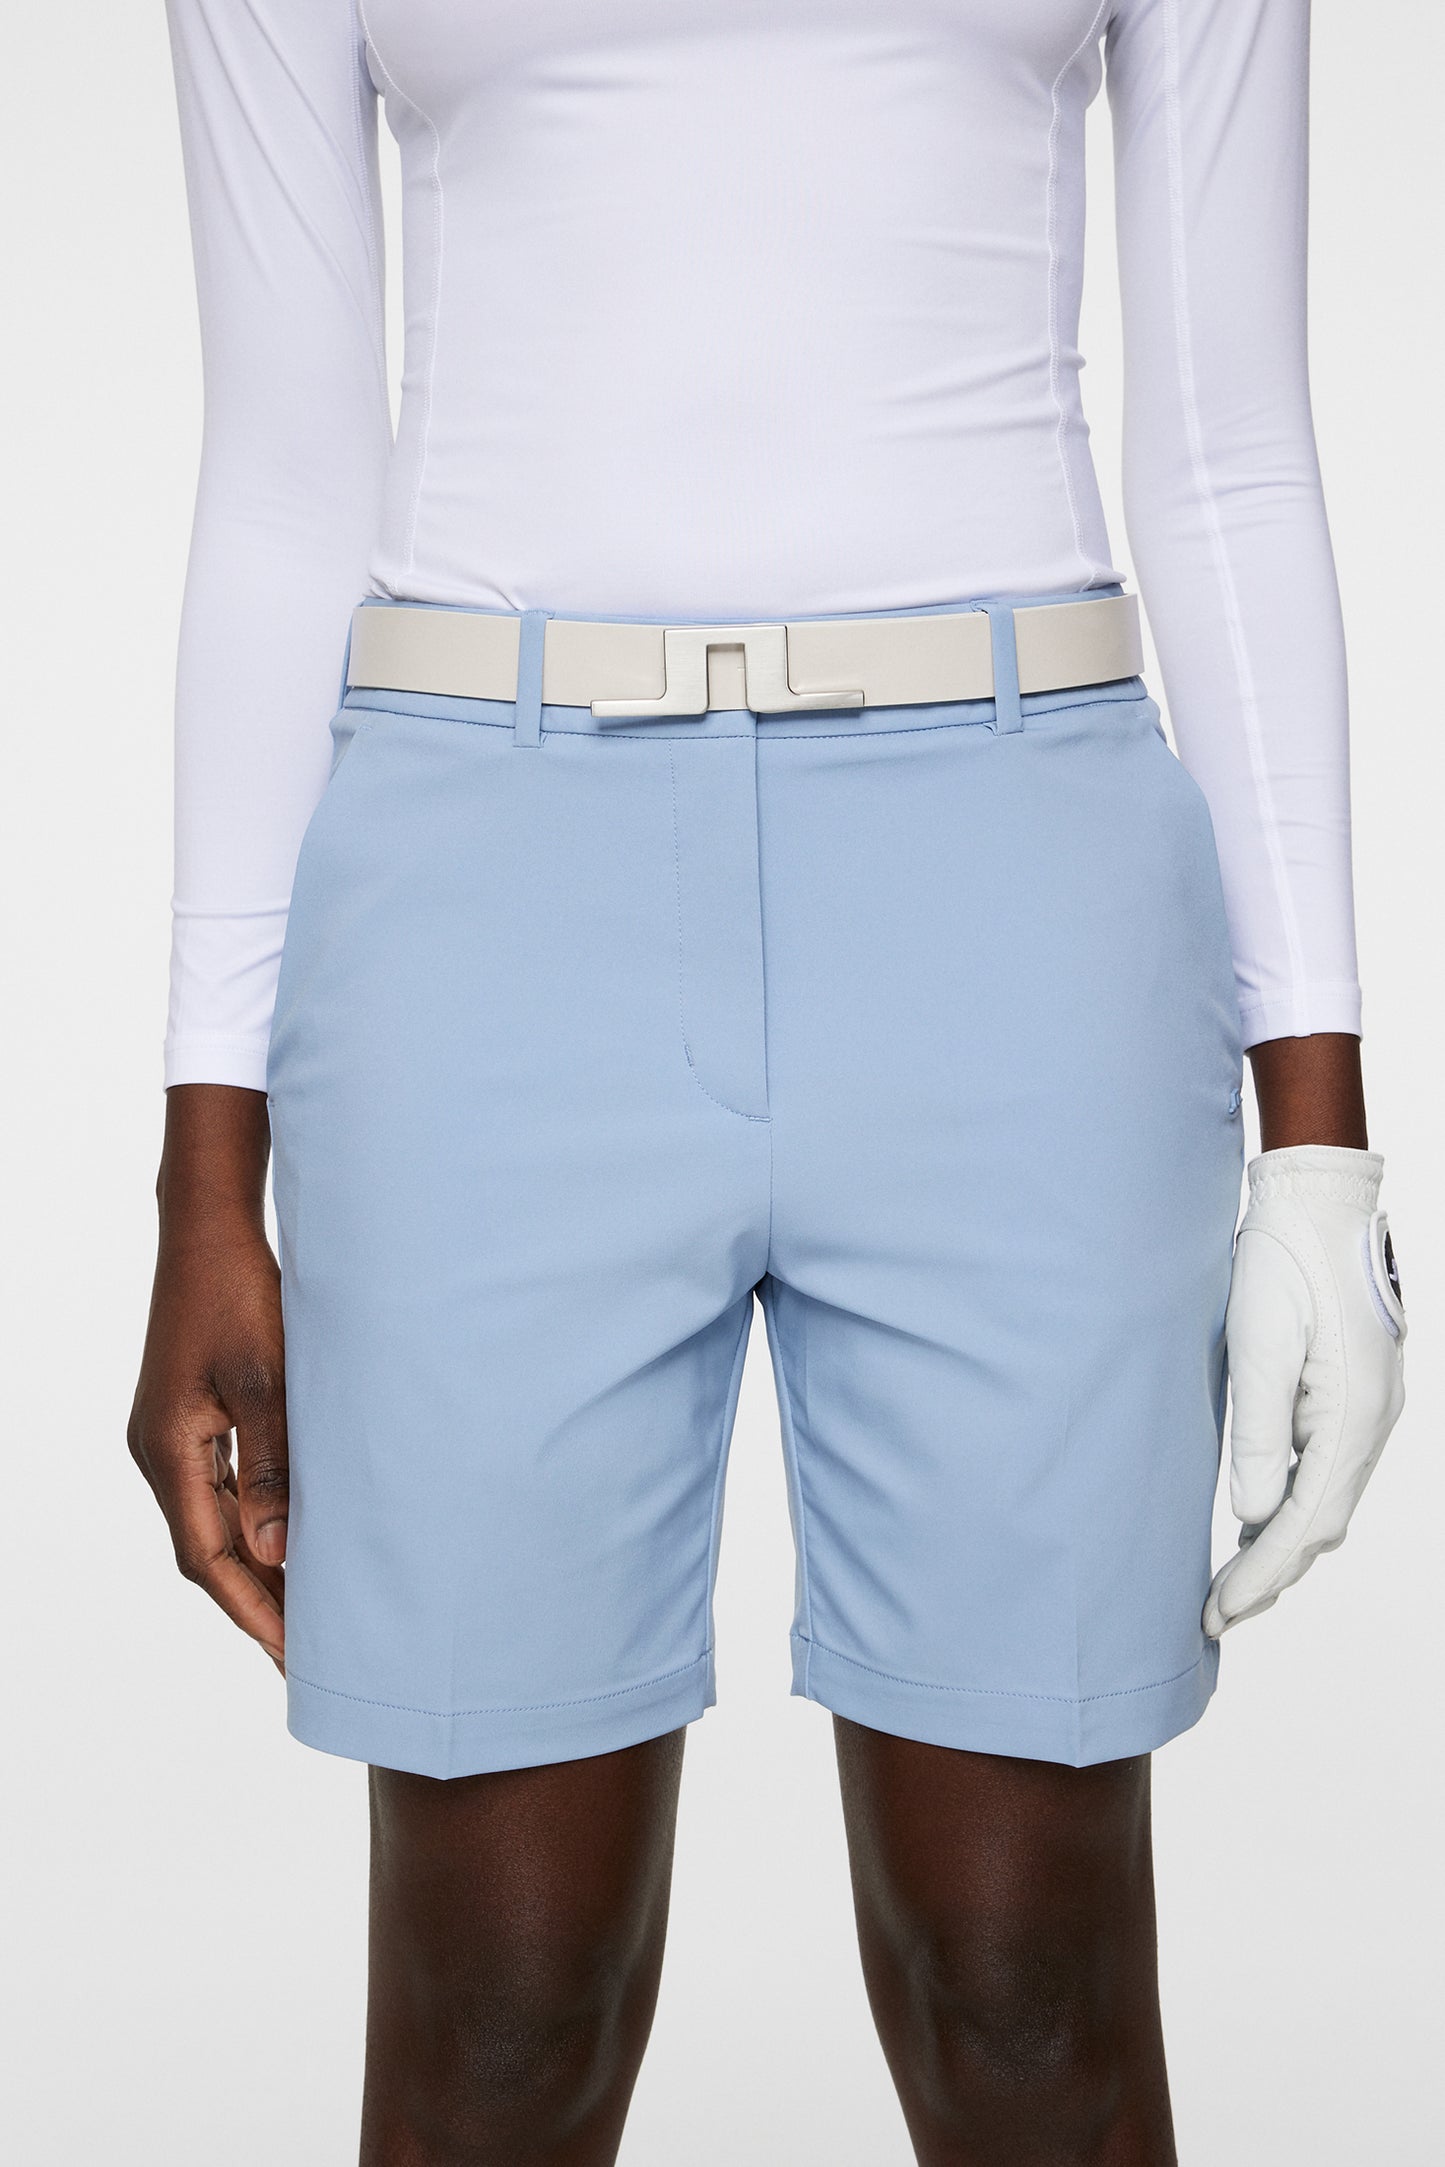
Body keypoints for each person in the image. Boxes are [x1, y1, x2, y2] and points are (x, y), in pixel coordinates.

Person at [128, 3, 1406, 2161]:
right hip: (481, 894)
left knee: (1026, 1983)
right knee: (498, 2003)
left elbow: (1230, 451)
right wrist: (200, 1179)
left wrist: (1321, 1150)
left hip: (1016, 883)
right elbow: (280, 475)